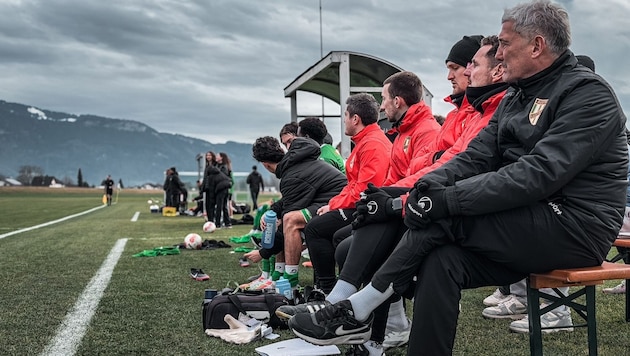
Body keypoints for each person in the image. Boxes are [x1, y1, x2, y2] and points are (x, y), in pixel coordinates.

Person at [288, 2, 628, 355]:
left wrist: (442, 200)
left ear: (537, 46)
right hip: (530, 215)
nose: (499, 54)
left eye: (505, 44)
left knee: (443, 219)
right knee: (441, 261)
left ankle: (357, 309)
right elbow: (472, 158)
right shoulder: (517, 95)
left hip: (576, 226)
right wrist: (405, 194)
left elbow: (537, 174)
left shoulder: (589, 94)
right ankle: (375, 320)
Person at [283, 35, 508, 354]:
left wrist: (390, 198)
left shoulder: (420, 129)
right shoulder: (452, 118)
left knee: (353, 234)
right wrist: (387, 196)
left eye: (464, 66)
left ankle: (362, 318)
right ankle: (360, 314)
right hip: (441, 202)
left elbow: (459, 165)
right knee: (355, 234)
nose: (457, 74)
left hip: (460, 209)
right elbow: (443, 164)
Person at [303, 93, 392, 294]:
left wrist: (334, 206)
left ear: (355, 119)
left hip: (370, 209)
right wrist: (333, 203)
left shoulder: (373, 143)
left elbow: (367, 188)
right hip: (360, 205)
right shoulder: (364, 141)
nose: (343, 120)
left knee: (315, 229)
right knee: (321, 227)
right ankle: (332, 289)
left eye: (345, 115)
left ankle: (328, 290)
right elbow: (352, 185)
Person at [244, 136, 347, 288]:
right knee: (282, 219)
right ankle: (278, 274)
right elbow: (287, 201)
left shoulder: (292, 175)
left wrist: (263, 253)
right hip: (329, 200)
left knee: (290, 221)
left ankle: (290, 280)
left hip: (342, 204)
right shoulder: (295, 163)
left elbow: (287, 219)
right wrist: (272, 211)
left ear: (265, 165)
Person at [217, 152, 234, 225]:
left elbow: (225, 179)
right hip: (224, 189)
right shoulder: (222, 166)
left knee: (221, 206)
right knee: (224, 206)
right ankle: (227, 222)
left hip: (222, 189)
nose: (216, 157)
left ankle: (218, 223)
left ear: (221, 158)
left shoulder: (223, 167)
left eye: (217, 156)